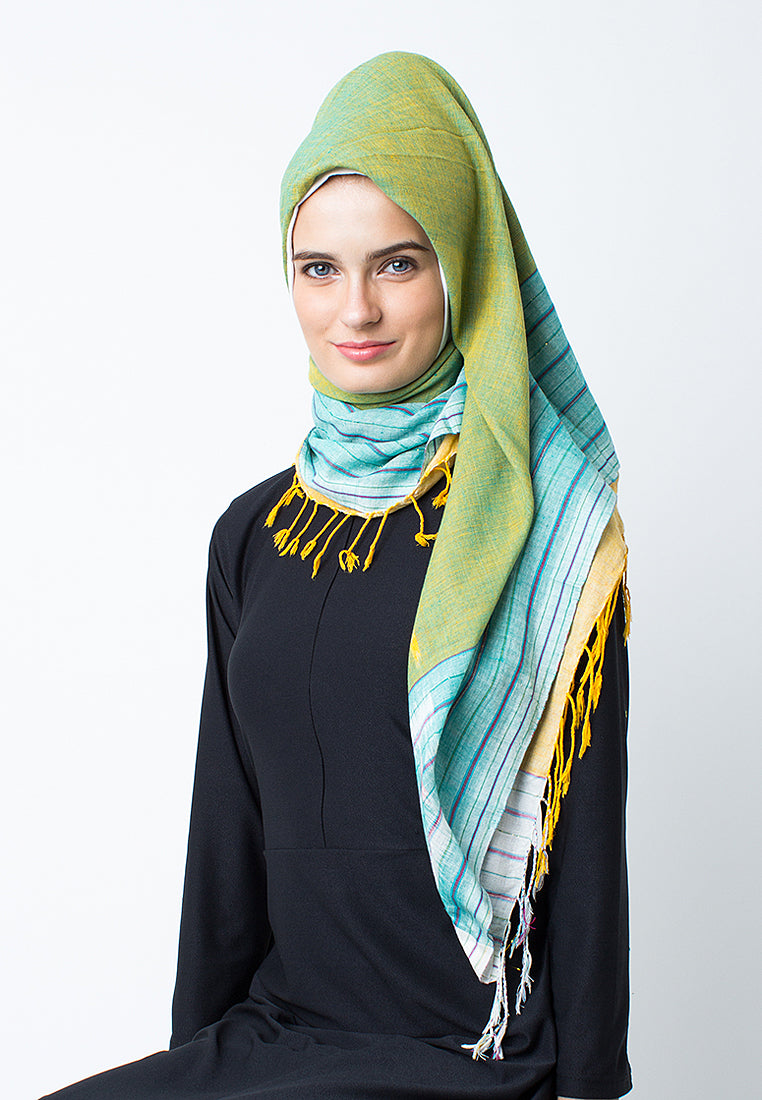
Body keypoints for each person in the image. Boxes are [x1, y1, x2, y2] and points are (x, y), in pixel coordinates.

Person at [42, 52, 632, 1100]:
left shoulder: (543, 533)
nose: (354, 309)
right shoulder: (252, 533)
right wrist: (191, 1062)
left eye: (397, 264)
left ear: (463, 267)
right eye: (319, 268)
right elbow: (226, 831)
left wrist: (589, 1087)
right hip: (278, 1037)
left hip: (467, 1057)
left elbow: (585, 851)